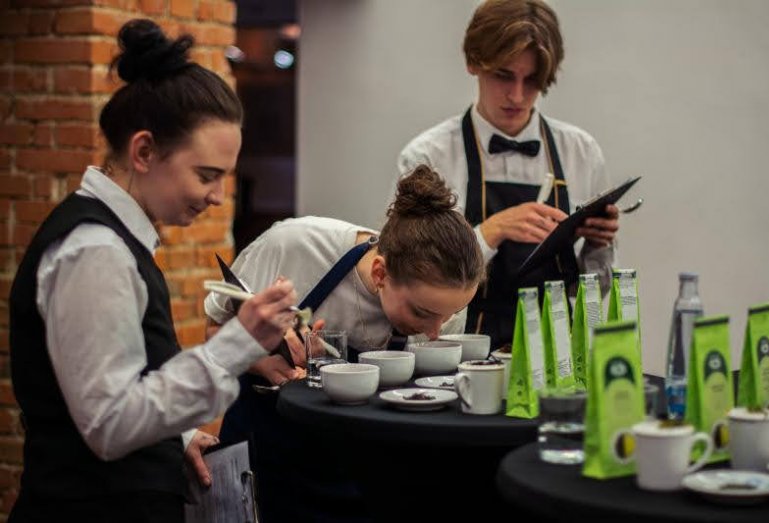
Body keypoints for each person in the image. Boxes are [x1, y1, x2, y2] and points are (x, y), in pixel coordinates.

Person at [8, 19, 298, 523]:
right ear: (144, 151)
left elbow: (121, 381)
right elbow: (108, 425)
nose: (216, 197)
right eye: (206, 175)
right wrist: (235, 345)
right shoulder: (93, 251)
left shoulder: (117, 239)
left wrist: (177, 435)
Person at [204, 164, 485, 521]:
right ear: (381, 272)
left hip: (368, 480)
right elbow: (213, 333)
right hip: (271, 464)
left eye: (449, 315)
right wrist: (260, 357)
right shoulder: (294, 247)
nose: (435, 331)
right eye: (422, 313)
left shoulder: (441, 303)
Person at [397, 0, 620, 349]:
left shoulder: (581, 151)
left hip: (557, 354)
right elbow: (410, 282)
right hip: (459, 354)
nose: (517, 96)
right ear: (473, 62)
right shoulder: (428, 156)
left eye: (531, 80)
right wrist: (490, 232)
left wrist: (598, 244)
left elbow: (596, 290)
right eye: (503, 75)